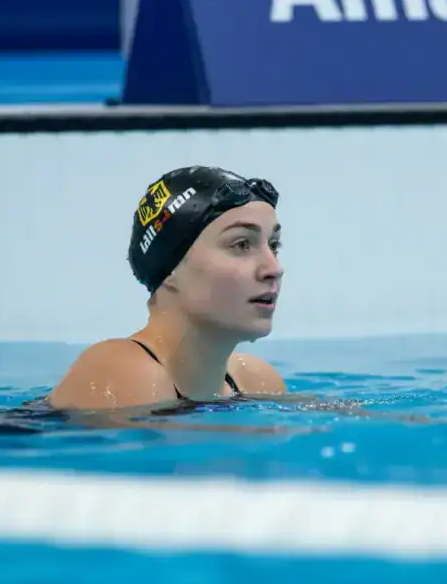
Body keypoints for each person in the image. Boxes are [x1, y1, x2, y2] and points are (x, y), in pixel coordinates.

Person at [47, 166, 287, 417]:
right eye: (241, 244)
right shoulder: (120, 372)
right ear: (171, 267)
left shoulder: (256, 380)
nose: (274, 268)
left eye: (274, 245)